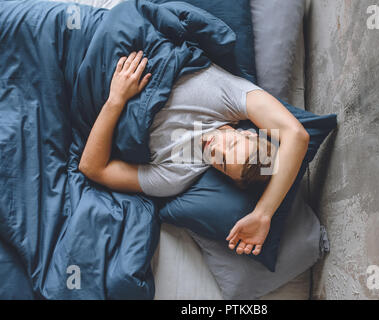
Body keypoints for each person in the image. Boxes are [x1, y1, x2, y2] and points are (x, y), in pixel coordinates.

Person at [79, 51, 310, 256]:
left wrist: (115, 100)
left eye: (222, 163)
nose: (215, 149)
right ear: (248, 133)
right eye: (230, 145)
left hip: (87, 90)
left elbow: (93, 168)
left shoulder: (176, 174)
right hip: (117, 48)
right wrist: (263, 214)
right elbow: (297, 136)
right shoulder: (228, 97)